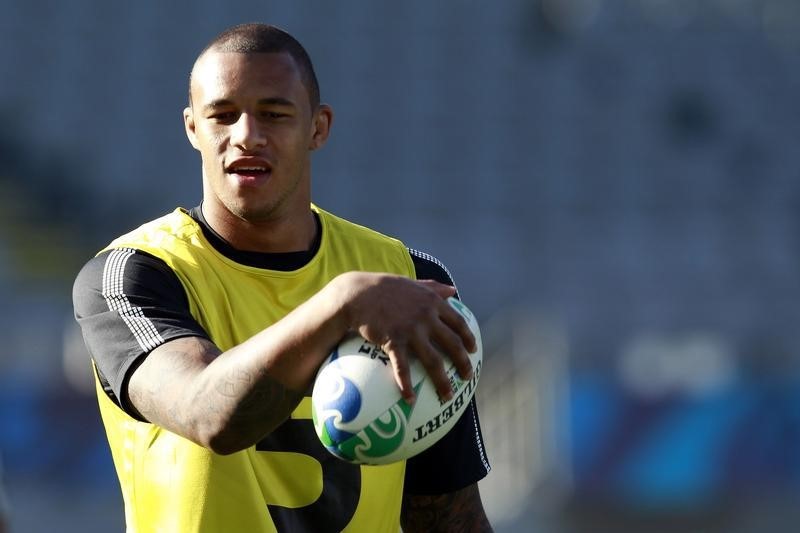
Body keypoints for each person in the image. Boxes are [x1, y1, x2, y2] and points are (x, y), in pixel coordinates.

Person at [73, 22, 492, 532]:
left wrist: (355, 297)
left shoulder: (405, 279)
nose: (246, 136)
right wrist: (343, 303)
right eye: (222, 116)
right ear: (192, 129)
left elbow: (448, 515)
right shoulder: (133, 274)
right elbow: (207, 414)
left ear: (318, 127)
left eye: (274, 114)